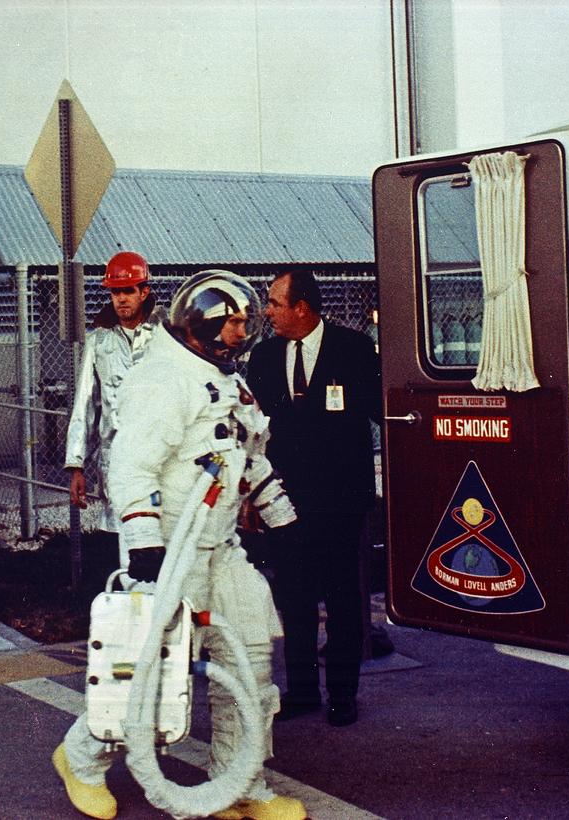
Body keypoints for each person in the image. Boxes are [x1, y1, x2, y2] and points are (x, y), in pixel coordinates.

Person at [53, 270, 306, 820]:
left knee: (250, 663)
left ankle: (239, 783)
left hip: (220, 545)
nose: (243, 332)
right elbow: (132, 464)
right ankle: (80, 759)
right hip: (168, 549)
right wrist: (144, 542)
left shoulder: (225, 377)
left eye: (246, 322)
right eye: (234, 322)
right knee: (150, 669)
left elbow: (246, 452)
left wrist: (281, 518)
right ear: (202, 323)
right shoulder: (163, 378)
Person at [246, 268, 385, 728]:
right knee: (295, 597)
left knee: (344, 600)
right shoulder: (263, 358)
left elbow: (382, 415)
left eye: (274, 303)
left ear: (301, 307)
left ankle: (343, 694)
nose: (267, 312)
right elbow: (253, 432)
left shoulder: (354, 349)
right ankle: (302, 690)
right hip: (285, 501)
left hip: (341, 501)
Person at [64, 251, 163, 531]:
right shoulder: (98, 342)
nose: (121, 299)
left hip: (160, 463)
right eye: (115, 292)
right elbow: (85, 405)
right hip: (116, 464)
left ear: (144, 292)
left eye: (128, 291)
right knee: (120, 549)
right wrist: (77, 465)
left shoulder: (166, 338)